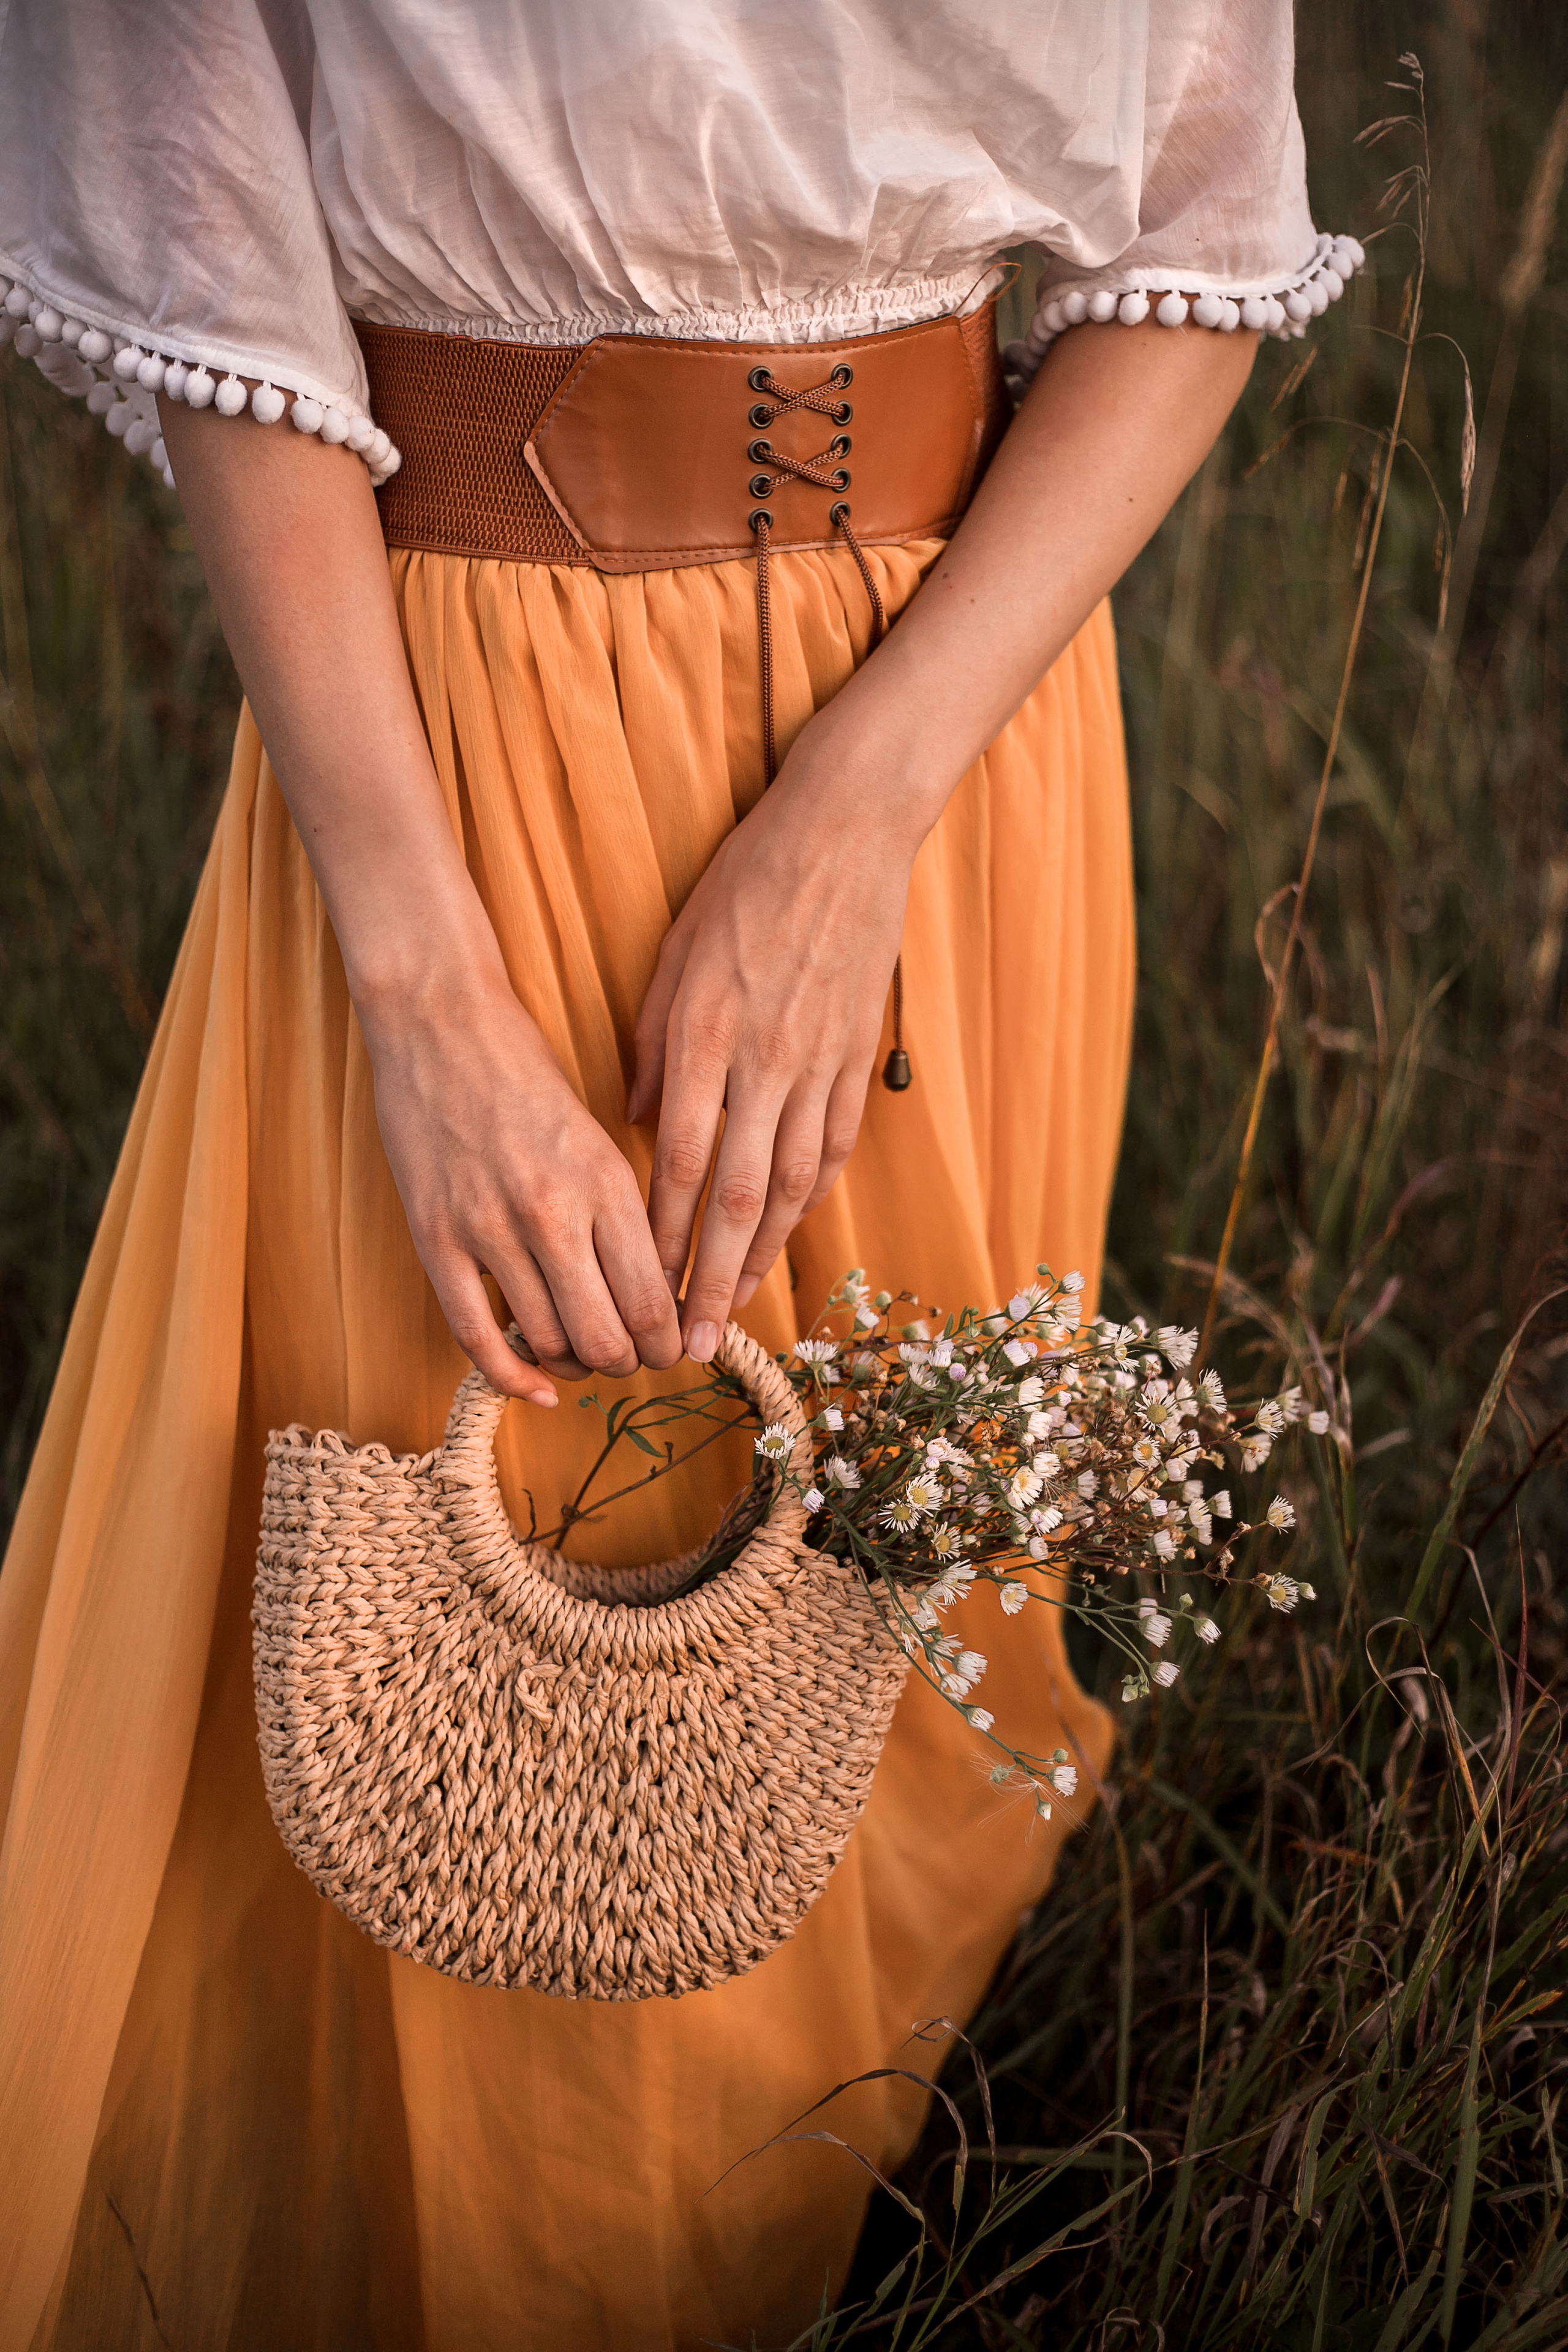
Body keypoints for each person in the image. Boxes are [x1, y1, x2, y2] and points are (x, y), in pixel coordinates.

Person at [0, 6, 1360, 2345]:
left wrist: (861, 817)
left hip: (958, 752)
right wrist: (423, 997)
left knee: (898, 1646)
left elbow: (1185, 250)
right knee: (487, 1653)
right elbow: (217, 262)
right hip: (468, 759)